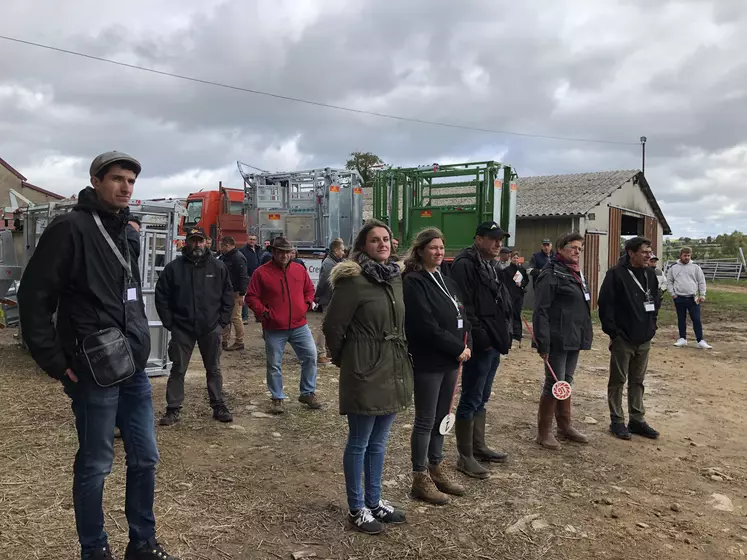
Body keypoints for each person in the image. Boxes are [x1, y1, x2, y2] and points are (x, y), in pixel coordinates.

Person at [18, 151, 178, 559]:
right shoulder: (69, 229)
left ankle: (142, 543)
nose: (126, 187)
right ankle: (95, 549)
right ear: (95, 180)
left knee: (145, 458)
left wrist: (141, 339)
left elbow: (131, 297)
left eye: (131, 181)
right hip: (92, 368)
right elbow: (34, 298)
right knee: (96, 464)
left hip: (133, 367)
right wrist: (55, 362)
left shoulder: (129, 231)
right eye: (118, 179)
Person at [323, 220, 413, 534]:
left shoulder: (394, 278)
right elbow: (333, 327)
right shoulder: (353, 279)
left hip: (392, 368)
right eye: (374, 240)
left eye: (386, 239)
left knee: (379, 442)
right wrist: (345, 358)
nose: (382, 244)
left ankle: (374, 502)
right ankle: (357, 507)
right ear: (363, 245)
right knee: (359, 442)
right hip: (363, 368)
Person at [403, 228, 470, 505]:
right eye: (433, 248)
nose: (439, 252)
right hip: (430, 360)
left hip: (452, 360)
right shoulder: (414, 281)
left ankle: (436, 467)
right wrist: (457, 347)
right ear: (420, 250)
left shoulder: (446, 278)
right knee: (426, 419)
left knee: (443, 417)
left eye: (441, 247)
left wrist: (468, 344)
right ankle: (419, 476)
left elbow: (462, 314)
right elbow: (425, 325)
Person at [449, 221, 513, 479]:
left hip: (494, 340)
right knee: (472, 395)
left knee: (483, 394)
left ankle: (478, 447)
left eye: (500, 239)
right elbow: (465, 307)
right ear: (478, 239)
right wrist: (482, 338)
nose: (498, 244)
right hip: (480, 342)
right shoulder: (466, 264)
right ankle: (465, 457)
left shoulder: (490, 264)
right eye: (493, 239)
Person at [155, 226, 234, 425]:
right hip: (182, 328)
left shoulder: (218, 267)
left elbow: (227, 295)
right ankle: (173, 409)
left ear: (207, 242)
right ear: (187, 242)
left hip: (210, 328)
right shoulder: (173, 268)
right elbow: (161, 296)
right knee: (178, 369)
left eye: (200, 240)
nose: (197, 244)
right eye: (193, 240)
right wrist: (170, 322)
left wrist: (222, 322)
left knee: (214, 368)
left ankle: (218, 405)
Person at [246, 237, 321, 414]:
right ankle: (277, 398)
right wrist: (264, 313)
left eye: (288, 252)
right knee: (274, 364)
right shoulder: (261, 273)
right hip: (274, 328)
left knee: (311, 356)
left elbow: (309, 289)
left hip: (299, 325)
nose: (285, 255)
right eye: (281, 252)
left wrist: (307, 304)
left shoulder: (299, 270)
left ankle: (307, 392)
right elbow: (251, 296)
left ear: (292, 253)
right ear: (274, 252)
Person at [532, 233, 593, 450]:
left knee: (566, 381)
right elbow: (541, 310)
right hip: (557, 339)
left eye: (580, 248)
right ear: (560, 248)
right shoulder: (551, 273)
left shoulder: (574, 272)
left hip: (573, 337)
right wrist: (543, 342)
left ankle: (564, 426)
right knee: (554, 383)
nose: (577, 251)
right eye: (573, 247)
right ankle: (544, 432)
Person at [598, 236, 661, 441]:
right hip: (623, 338)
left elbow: (656, 302)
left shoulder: (650, 274)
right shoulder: (616, 275)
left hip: (644, 338)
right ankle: (617, 420)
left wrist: (652, 326)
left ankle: (637, 419)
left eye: (649, 252)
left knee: (638, 380)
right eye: (644, 252)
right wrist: (614, 333)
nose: (648, 256)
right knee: (618, 380)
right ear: (631, 253)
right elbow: (606, 306)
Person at [666, 247, 711, 349]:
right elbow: (669, 281)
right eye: (685, 255)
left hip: (693, 298)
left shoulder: (695, 267)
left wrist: (702, 294)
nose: (687, 258)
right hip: (679, 298)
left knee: (696, 319)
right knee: (681, 319)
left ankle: (700, 340)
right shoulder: (673, 267)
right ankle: (682, 338)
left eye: (688, 256)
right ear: (680, 255)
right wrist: (672, 293)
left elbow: (701, 281)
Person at [314, 239, 346, 365]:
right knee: (324, 326)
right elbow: (324, 283)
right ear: (336, 250)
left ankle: (328, 351)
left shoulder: (336, 262)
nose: (343, 253)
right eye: (342, 250)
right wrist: (317, 296)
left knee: (332, 325)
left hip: (334, 298)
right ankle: (321, 353)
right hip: (328, 299)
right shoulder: (328, 264)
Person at [218, 236, 249, 351]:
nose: (221, 248)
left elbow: (243, 276)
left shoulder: (238, 258)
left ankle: (239, 341)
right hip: (226, 291)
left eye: (222, 246)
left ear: (227, 245)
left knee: (236, 317)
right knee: (225, 315)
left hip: (235, 292)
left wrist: (241, 293)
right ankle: (224, 340)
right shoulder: (226, 257)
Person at [505, 251, 529, 346]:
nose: (515, 259)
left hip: (519, 295)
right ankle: (510, 334)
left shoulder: (522, 269)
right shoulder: (507, 270)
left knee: (517, 313)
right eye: (514, 258)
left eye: (517, 258)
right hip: (510, 295)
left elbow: (526, 280)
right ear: (511, 258)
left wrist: (521, 284)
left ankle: (517, 334)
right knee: (510, 314)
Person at [239, 234, 264, 322]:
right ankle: (244, 317)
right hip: (247, 276)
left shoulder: (259, 250)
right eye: (250, 239)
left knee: (258, 297)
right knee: (245, 297)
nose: (252, 241)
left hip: (258, 276)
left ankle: (258, 316)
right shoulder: (242, 251)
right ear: (247, 240)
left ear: (256, 241)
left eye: (254, 239)